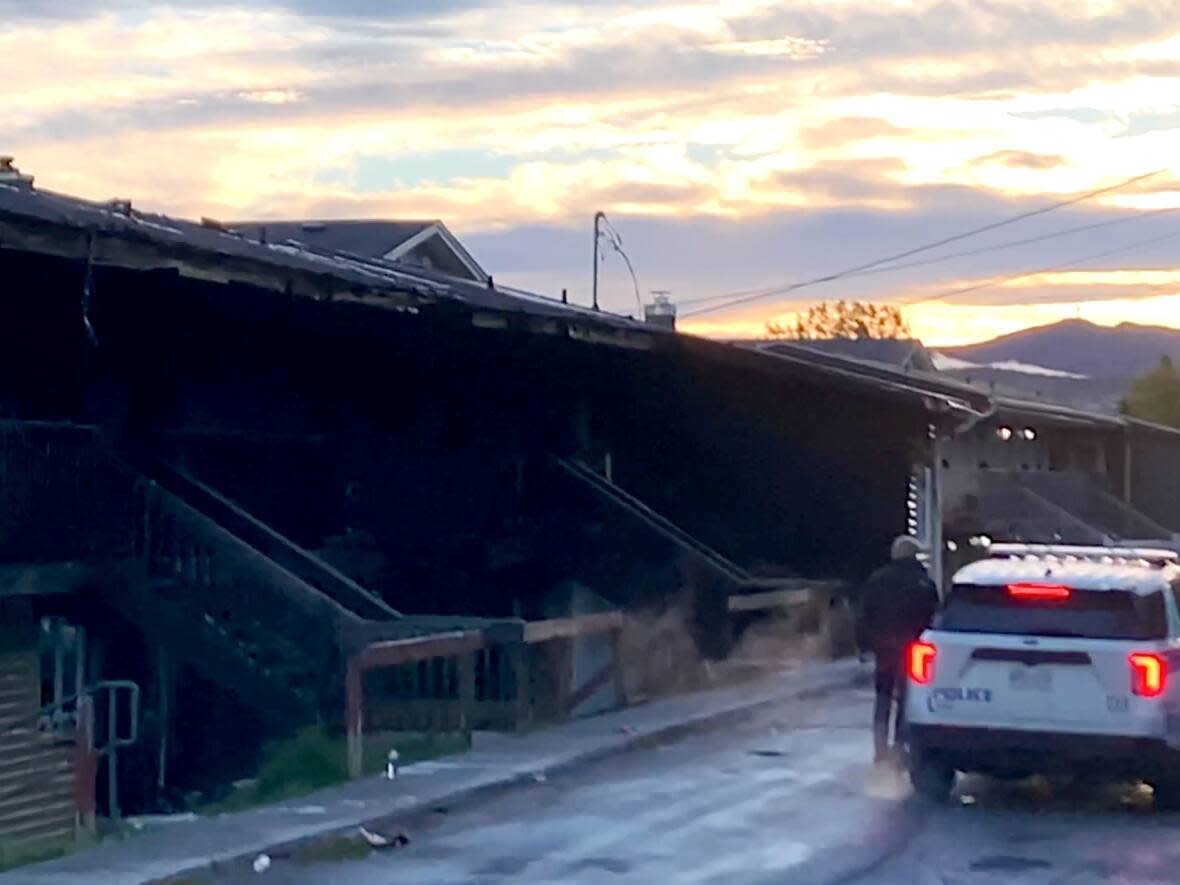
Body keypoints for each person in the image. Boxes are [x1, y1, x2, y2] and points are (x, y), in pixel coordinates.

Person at [858, 535, 939, 764]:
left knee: (883, 697)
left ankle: (880, 749)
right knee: (907, 698)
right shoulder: (922, 582)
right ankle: (900, 745)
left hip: (883, 647)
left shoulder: (877, 579)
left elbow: (866, 613)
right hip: (912, 648)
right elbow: (932, 615)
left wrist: (864, 644)